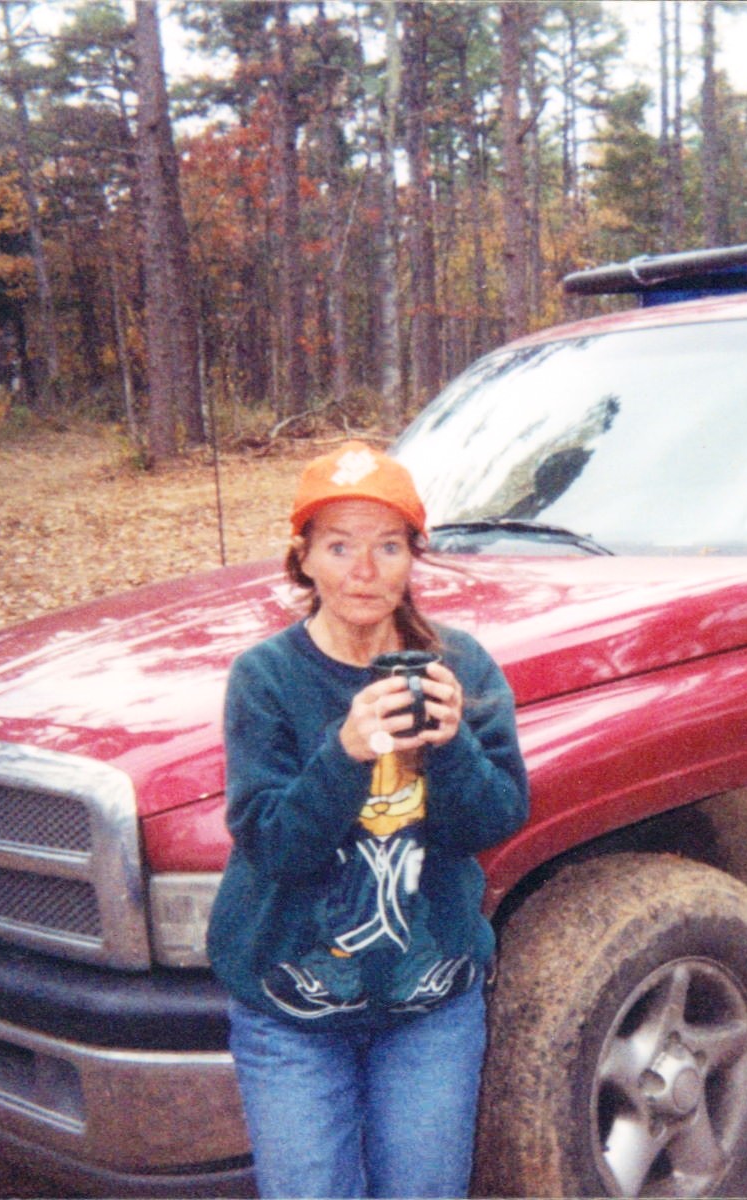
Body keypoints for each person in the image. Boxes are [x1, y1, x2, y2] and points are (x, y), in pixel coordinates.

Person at [207, 441, 529, 1199]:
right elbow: (273, 846)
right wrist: (347, 752)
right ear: (304, 558)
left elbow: (496, 819)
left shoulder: (460, 666)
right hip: (289, 1006)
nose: (365, 570)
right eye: (339, 546)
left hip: (429, 1003)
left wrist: (451, 746)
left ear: (414, 557)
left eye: (388, 546)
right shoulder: (266, 678)